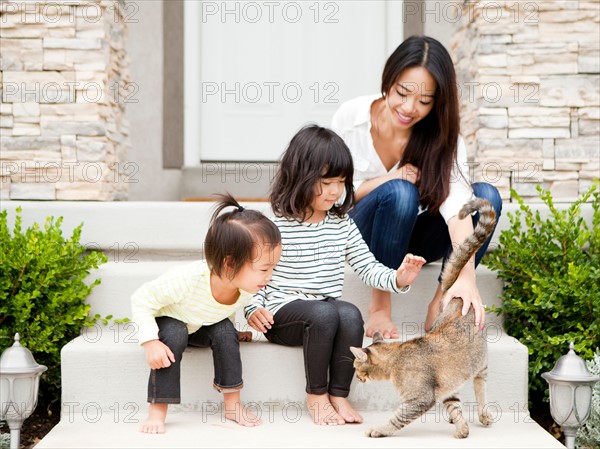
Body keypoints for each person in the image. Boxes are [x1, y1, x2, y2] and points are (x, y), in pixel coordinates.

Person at [244, 125, 426, 426]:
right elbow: (256, 272)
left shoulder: (341, 224)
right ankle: (316, 395)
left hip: (322, 313)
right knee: (326, 315)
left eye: (340, 182)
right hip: (281, 314)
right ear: (299, 176)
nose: (335, 191)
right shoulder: (274, 225)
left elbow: (367, 266)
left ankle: (339, 394)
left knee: (350, 314)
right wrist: (254, 307)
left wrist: (399, 278)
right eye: (326, 182)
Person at [331, 35, 503, 340]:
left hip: (415, 239)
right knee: (400, 192)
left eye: (424, 101)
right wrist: (390, 178)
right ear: (389, 79)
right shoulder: (350, 118)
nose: (409, 108)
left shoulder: (442, 137)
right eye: (402, 93)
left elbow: (458, 208)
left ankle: (441, 301)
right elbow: (334, 196)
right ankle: (380, 308)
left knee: (486, 198)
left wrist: (466, 277)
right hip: (362, 232)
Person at [131, 194, 282, 433]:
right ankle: (158, 410)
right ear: (230, 264)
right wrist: (150, 341)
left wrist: (240, 327)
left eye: (273, 267)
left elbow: (222, 309)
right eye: (264, 268)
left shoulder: (245, 288)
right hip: (170, 322)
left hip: (200, 324)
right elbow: (140, 300)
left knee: (224, 330)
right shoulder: (186, 280)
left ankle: (233, 404)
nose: (269, 276)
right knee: (175, 332)